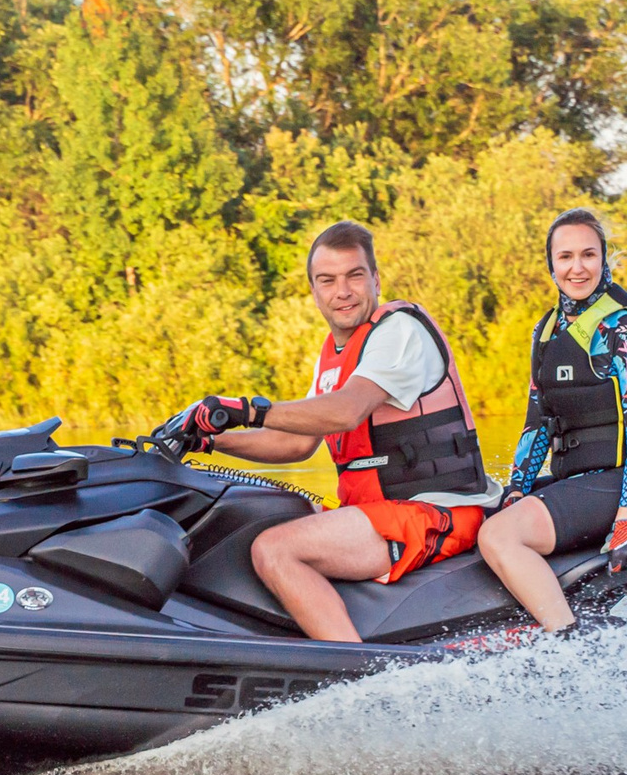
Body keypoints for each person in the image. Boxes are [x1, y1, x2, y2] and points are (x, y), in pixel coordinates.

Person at [167, 220, 496, 642]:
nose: (342, 291)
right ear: (314, 291)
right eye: (328, 280)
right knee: (251, 517)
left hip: (436, 511)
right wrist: (209, 441)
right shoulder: (335, 353)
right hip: (383, 511)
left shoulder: (398, 331)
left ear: (375, 279)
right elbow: (297, 442)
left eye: (354, 276)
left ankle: (352, 674)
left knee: (275, 548)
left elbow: (346, 411)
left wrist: (246, 410)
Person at [474, 206, 627, 634]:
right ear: (551, 265)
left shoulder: (625, 327)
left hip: (625, 484)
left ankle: (566, 639)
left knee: (499, 537)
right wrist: (514, 491)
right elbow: (536, 422)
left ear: (604, 260)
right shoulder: (546, 330)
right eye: (565, 257)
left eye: (588, 255)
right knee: (480, 515)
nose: (577, 268)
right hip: (577, 481)